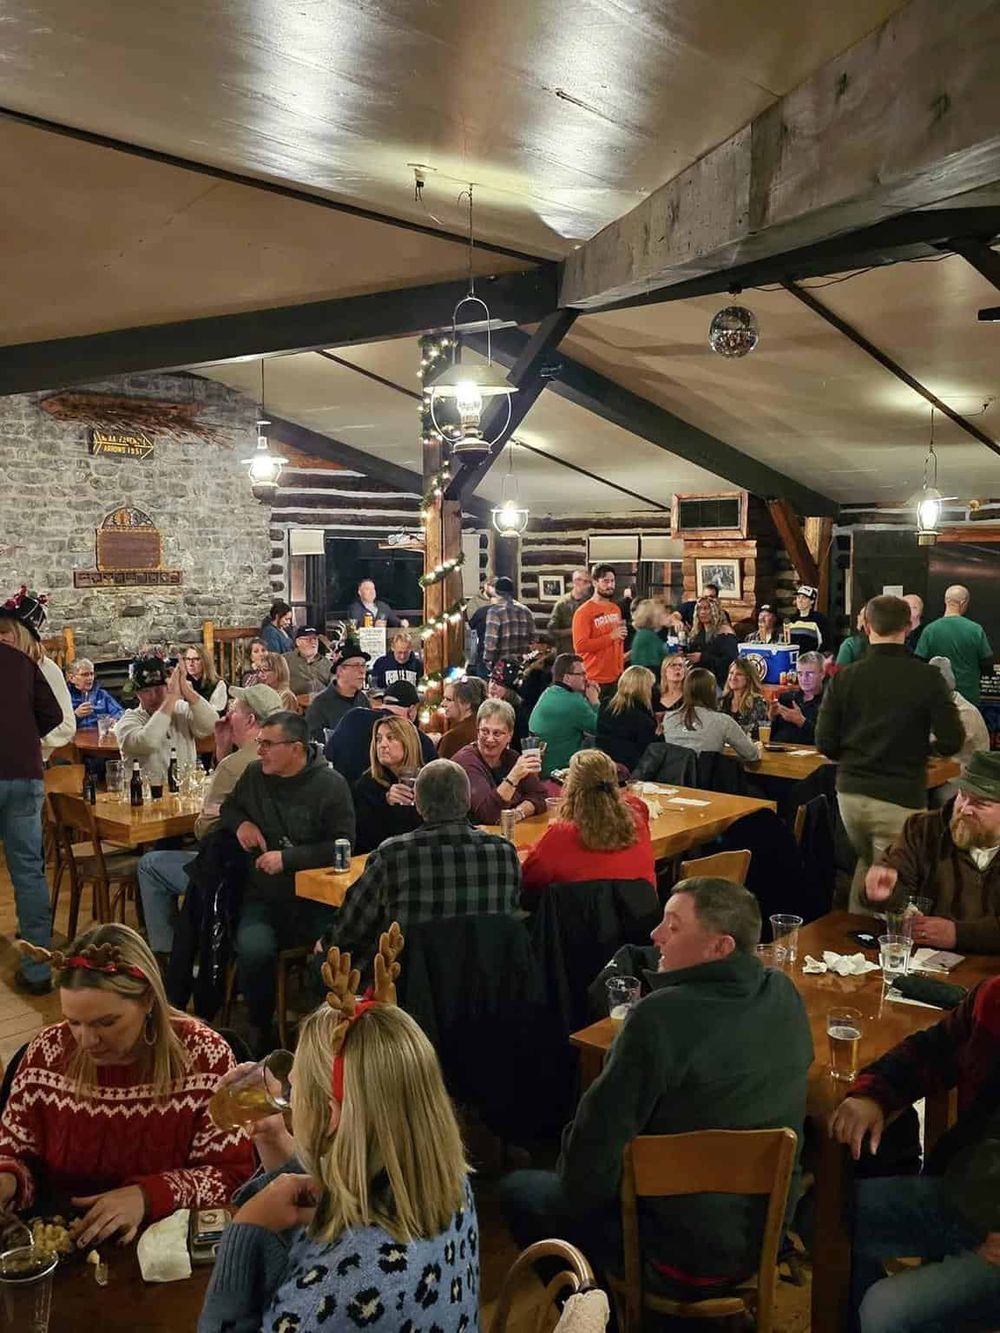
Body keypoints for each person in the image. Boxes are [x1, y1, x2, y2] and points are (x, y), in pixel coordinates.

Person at [500, 878, 812, 1294]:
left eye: (673, 925)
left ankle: (603, 1315)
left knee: (520, 1192)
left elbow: (585, 1168)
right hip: (762, 1239)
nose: (654, 935)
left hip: (672, 1254)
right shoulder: (784, 994)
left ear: (720, 947)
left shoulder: (655, 1019)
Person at [199, 963, 478, 1332]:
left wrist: (245, 1230)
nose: (288, 1100)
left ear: (331, 1116)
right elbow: (321, 1239)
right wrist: (274, 1139)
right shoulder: (448, 1183)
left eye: (295, 1089)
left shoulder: (336, 1297)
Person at [0, 925, 253, 1237]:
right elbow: (14, 1154)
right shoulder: (46, 1053)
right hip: (63, 1244)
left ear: (148, 1000)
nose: (87, 1040)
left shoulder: (205, 1057)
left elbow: (233, 1177)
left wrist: (148, 1196)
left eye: (106, 1022)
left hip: (166, 1246)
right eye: (73, 1021)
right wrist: (8, 1179)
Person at [830, 976, 1000, 1333]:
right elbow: (932, 1050)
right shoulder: (993, 997)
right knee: (825, 1212)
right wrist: (872, 1095)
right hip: (964, 1196)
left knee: (885, 1309)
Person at [816, 594, 964, 913]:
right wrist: (924, 749)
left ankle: (853, 944)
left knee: (872, 866)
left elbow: (825, 743)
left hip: (850, 796)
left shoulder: (845, 677)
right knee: (891, 883)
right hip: (900, 794)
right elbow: (953, 740)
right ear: (909, 626)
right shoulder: (928, 678)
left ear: (867, 626)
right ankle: (881, 952)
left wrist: (858, 751)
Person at [219, 711, 355, 1051]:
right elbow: (229, 808)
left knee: (337, 953)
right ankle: (260, 1029)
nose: (260, 750)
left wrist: (289, 860)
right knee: (253, 949)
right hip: (264, 897)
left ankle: (325, 1037)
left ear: (296, 748)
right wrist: (241, 825)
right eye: (259, 742)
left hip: (315, 900)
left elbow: (343, 845)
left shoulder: (330, 785)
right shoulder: (254, 775)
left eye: (268, 744)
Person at [327, 759, 521, 978]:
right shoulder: (503, 853)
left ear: (418, 804)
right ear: (467, 802)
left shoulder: (393, 854)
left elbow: (349, 928)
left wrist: (325, 944)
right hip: (488, 983)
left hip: (404, 989)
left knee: (325, 964)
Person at [136, 684, 285, 964]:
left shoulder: (236, 765)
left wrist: (226, 758)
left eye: (236, 709)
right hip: (279, 871)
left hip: (234, 877)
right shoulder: (286, 755)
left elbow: (205, 831)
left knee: (150, 864)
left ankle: (170, 956)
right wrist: (222, 748)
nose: (229, 713)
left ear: (251, 720)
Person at [861, 750, 1000, 952]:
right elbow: (897, 883)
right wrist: (884, 891)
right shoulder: (922, 829)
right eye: (963, 795)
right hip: (925, 965)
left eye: (981, 803)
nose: (964, 809)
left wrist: (957, 935)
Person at [0, 630, 62, 995]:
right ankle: (38, 971)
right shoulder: (21, 660)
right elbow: (52, 713)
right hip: (25, 773)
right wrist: (22, 737)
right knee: (28, 870)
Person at [521, 750, 655, 903]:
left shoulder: (560, 835)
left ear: (571, 788)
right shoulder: (638, 811)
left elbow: (528, 880)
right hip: (641, 918)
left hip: (577, 924)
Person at [117, 656, 218, 785]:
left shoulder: (181, 710)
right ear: (137, 694)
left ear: (168, 687)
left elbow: (211, 725)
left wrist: (186, 690)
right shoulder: (127, 722)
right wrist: (171, 697)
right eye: (146, 691)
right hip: (147, 799)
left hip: (185, 796)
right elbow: (147, 742)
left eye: (159, 689)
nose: (154, 696)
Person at [0, 590, 76, 761]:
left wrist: (27, 740)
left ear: (23, 635)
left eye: (5, 632)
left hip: (26, 764)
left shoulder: (46, 669)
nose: (0, 638)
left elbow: (66, 725)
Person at [453, 699, 547, 824]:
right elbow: (489, 814)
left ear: (509, 735)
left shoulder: (511, 757)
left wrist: (518, 813)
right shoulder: (466, 761)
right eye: (485, 731)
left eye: (497, 733)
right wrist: (514, 776)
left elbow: (540, 796)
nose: (490, 739)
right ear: (477, 731)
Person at [324, 681, 436, 785]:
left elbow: (328, 754)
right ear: (412, 710)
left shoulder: (353, 716)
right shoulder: (418, 738)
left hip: (341, 798)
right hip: (385, 803)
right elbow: (434, 778)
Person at [352, 716, 426, 853]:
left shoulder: (428, 779)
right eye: (379, 739)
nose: (382, 745)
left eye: (391, 738)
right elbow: (363, 838)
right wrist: (386, 802)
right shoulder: (366, 785)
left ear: (408, 742)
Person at [660, 667, 760, 761]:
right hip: (707, 778)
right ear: (712, 690)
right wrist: (757, 747)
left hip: (671, 778)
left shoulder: (668, 718)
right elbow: (751, 754)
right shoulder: (723, 721)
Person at [916, 584, 994, 705]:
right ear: (963, 603)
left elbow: (919, 663)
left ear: (945, 601)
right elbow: (988, 665)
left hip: (939, 697)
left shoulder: (929, 630)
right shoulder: (975, 629)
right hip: (969, 697)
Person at [527, 652, 600, 777]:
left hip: (540, 769)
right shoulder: (573, 701)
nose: (585, 677)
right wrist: (595, 701)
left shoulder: (549, 692)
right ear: (567, 678)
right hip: (560, 772)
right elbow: (600, 728)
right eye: (581, 674)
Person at [929, 656, 990, 796]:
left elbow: (943, 746)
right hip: (949, 770)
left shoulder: (965, 713)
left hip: (968, 778)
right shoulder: (942, 707)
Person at [573, 564, 626, 694]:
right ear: (595, 582)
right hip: (593, 678)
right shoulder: (583, 612)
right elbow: (580, 646)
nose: (610, 585)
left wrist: (620, 669)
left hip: (616, 677)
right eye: (605, 581)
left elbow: (617, 641)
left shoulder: (615, 608)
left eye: (612, 581)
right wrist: (610, 637)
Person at [596, 665, 658, 772]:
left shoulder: (606, 705)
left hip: (603, 764)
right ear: (643, 689)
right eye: (650, 686)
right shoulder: (642, 718)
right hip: (630, 771)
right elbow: (647, 751)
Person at [305, 644, 369, 742]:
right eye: (356, 666)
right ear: (340, 671)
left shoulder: (362, 699)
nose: (362, 671)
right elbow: (313, 743)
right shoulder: (320, 704)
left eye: (364, 665)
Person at [770, 650, 826, 744]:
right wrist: (771, 717)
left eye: (809, 674)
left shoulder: (830, 703)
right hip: (779, 753)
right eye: (800, 673)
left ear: (822, 674)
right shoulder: (786, 699)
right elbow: (772, 736)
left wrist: (801, 721)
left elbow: (828, 740)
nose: (804, 679)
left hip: (812, 755)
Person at [483, 575, 536, 668]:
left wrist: (488, 661)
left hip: (502, 666)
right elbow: (533, 639)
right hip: (523, 664)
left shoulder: (495, 611)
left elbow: (491, 642)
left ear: (496, 591)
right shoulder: (526, 610)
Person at [686, 595, 738, 687]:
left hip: (719, 683)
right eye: (699, 609)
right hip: (699, 680)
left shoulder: (725, 633)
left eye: (706, 608)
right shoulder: (697, 633)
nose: (702, 612)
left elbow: (730, 662)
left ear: (715, 611)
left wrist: (702, 658)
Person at [437, 675, 488, 759]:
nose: (443, 704)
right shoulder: (484, 727)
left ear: (466, 704)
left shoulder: (454, 737)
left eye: (448, 699)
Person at [547, 569, 593, 656]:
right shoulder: (562, 604)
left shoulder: (591, 603)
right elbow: (551, 631)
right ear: (575, 582)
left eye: (588, 582)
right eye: (584, 581)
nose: (587, 585)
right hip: (566, 653)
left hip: (587, 653)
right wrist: (572, 631)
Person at [66, 657, 123, 726]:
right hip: (75, 735)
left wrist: (115, 719)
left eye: (92, 674)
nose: (90, 678)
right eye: (85, 674)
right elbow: (59, 726)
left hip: (100, 733)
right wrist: (76, 716)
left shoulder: (101, 694)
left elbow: (120, 712)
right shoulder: (65, 697)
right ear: (72, 678)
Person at [719, 658, 769, 733]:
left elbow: (754, 732)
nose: (733, 677)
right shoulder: (722, 700)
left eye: (739, 674)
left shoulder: (757, 702)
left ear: (748, 679)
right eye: (731, 673)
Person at [283, 626, 332, 696]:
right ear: (298, 642)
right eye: (308, 639)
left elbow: (334, 688)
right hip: (294, 702)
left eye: (315, 639)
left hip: (321, 702)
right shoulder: (285, 660)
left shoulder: (328, 664)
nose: (313, 642)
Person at [179, 644, 228, 712]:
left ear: (205, 661)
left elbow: (214, 714)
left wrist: (192, 694)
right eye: (188, 659)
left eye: (196, 659)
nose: (190, 664)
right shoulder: (182, 682)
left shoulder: (218, 684)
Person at [518, 630, 558, 715]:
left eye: (534, 643)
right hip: (527, 704)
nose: (531, 647)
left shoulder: (552, 666)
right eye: (530, 644)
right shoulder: (526, 661)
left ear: (544, 646)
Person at [785, 584, 831, 653]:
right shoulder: (791, 619)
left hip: (811, 660)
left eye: (804, 598)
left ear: (812, 601)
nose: (800, 600)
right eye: (798, 597)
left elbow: (825, 643)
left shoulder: (819, 619)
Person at [628, 599, 667, 670]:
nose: (664, 615)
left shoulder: (646, 634)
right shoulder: (647, 636)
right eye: (661, 613)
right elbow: (651, 666)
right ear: (653, 615)